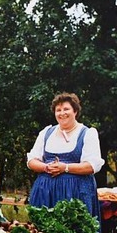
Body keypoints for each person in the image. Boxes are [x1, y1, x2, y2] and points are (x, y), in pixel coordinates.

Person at [27, 92, 104, 221]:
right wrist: (46, 167)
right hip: (46, 193)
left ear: (75, 111)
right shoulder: (46, 132)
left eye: (66, 109)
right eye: (58, 110)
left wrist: (65, 168)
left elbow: (91, 166)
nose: (62, 113)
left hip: (75, 194)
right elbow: (31, 160)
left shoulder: (87, 133)